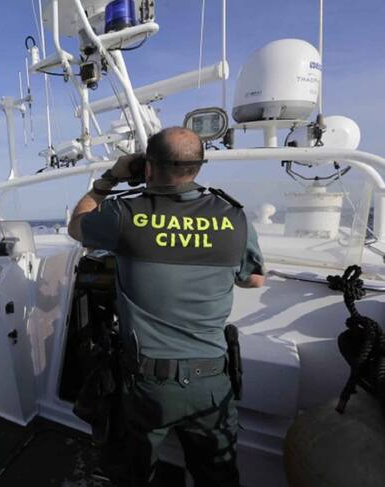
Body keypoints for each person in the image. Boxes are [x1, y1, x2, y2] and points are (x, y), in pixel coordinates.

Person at [68, 127, 265, 486]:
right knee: (218, 478)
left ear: (147, 167)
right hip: (210, 382)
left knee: (133, 475)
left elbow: (76, 225)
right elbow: (253, 280)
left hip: (146, 385)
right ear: (198, 167)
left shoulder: (123, 213)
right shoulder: (233, 216)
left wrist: (109, 178)